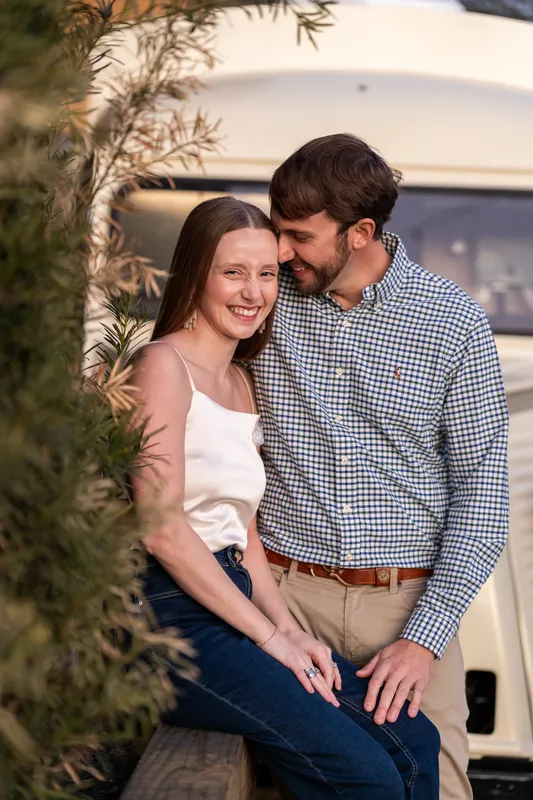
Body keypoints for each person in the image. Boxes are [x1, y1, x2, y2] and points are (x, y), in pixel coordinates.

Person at [129, 196, 440, 799]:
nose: (254, 292)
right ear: (196, 272)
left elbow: (243, 534)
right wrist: (269, 639)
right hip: (169, 615)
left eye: (267, 273)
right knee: (363, 774)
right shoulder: (162, 366)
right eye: (233, 272)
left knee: (411, 737)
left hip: (231, 597)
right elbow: (161, 526)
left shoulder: (241, 379)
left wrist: (289, 631)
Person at [248, 134, 510, 800]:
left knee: (438, 786)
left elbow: (482, 500)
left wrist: (421, 640)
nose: (279, 252)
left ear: (360, 232)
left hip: (405, 604)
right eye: (276, 230)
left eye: (297, 236)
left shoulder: (452, 321)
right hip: (285, 600)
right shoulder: (261, 301)